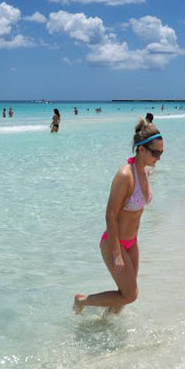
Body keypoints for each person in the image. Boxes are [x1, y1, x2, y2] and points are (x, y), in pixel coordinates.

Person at [74, 119, 163, 314]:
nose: (159, 157)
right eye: (155, 153)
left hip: (132, 243)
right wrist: (116, 253)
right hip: (115, 243)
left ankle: (108, 330)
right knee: (130, 295)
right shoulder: (125, 176)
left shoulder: (145, 172)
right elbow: (110, 215)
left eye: (161, 153)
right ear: (141, 150)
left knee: (124, 297)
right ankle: (82, 301)